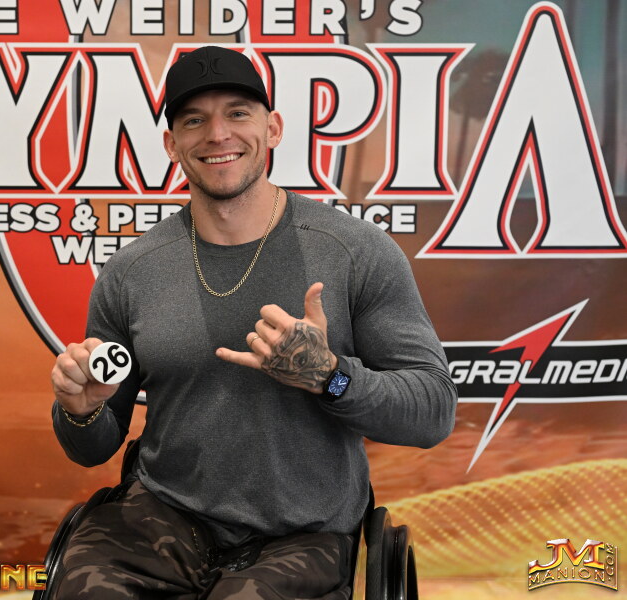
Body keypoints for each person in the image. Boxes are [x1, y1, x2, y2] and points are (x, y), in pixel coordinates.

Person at [49, 45, 457, 599]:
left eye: (238, 113)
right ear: (172, 144)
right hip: (163, 516)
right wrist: (81, 410)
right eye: (194, 120)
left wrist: (329, 376)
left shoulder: (355, 252)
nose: (217, 134)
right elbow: (91, 448)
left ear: (273, 128)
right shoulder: (131, 272)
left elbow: (432, 411)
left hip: (306, 532)